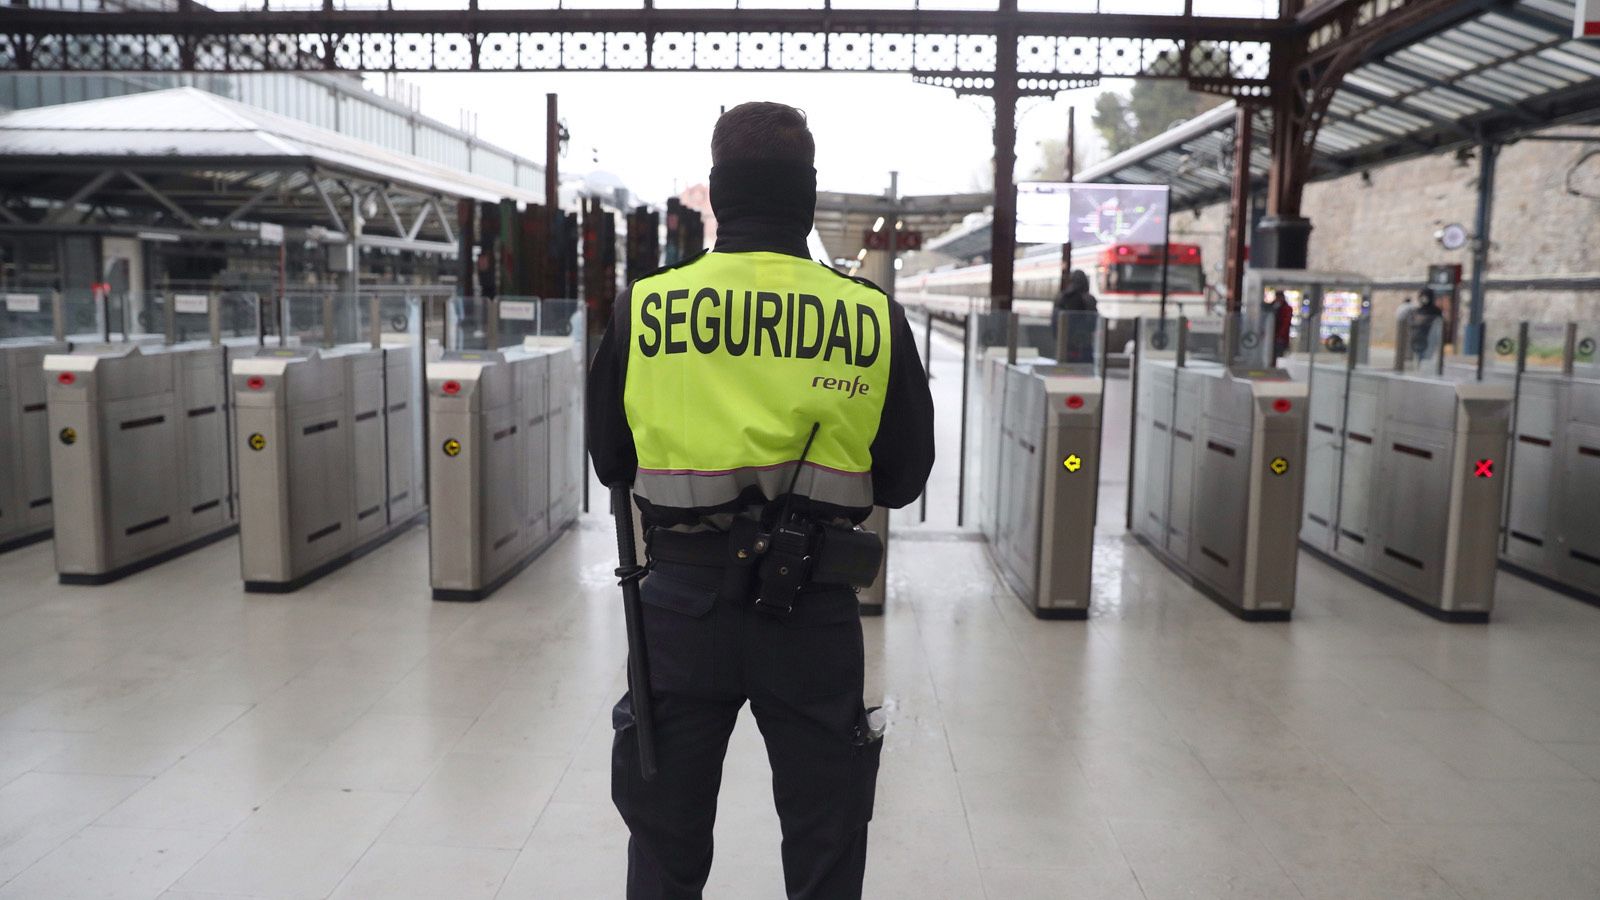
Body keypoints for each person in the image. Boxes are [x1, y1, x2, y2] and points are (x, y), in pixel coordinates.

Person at [587, 101, 936, 900]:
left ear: (718, 191)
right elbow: (905, 477)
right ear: (808, 196)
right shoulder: (871, 315)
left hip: (677, 612)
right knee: (825, 843)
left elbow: (610, 461)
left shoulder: (644, 308)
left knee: (666, 845)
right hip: (811, 612)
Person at [1053, 268, 1098, 363]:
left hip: (1064, 344)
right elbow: (1093, 324)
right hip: (1084, 345)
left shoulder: (1060, 297)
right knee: (1085, 371)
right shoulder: (1090, 299)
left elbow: (1054, 322)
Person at [1410, 287, 1444, 362]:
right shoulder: (1418, 310)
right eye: (1422, 296)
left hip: (1429, 338)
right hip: (1417, 338)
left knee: (1425, 358)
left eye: (1425, 296)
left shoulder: (1435, 311)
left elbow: (1438, 325)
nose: (1423, 299)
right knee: (1420, 357)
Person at [1269, 289, 1294, 359]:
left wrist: (1280, 335)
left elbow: (1286, 323)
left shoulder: (1286, 308)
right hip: (1271, 334)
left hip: (1280, 336)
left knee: (1277, 353)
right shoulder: (1272, 306)